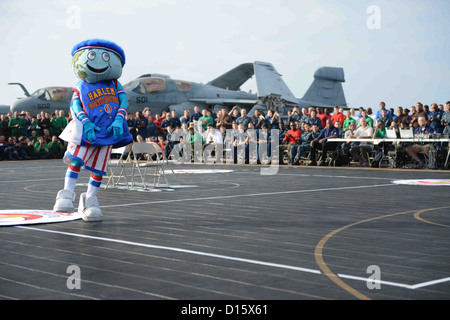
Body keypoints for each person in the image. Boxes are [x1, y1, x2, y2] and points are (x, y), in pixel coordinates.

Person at [53, 39, 133, 222]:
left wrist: (119, 119)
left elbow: (124, 102)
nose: (98, 62)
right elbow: (75, 105)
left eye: (106, 57)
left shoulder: (114, 83)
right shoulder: (80, 85)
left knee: (99, 168)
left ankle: (90, 200)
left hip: (108, 131)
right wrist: (85, 122)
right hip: (86, 130)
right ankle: (67, 194)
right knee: (76, 159)